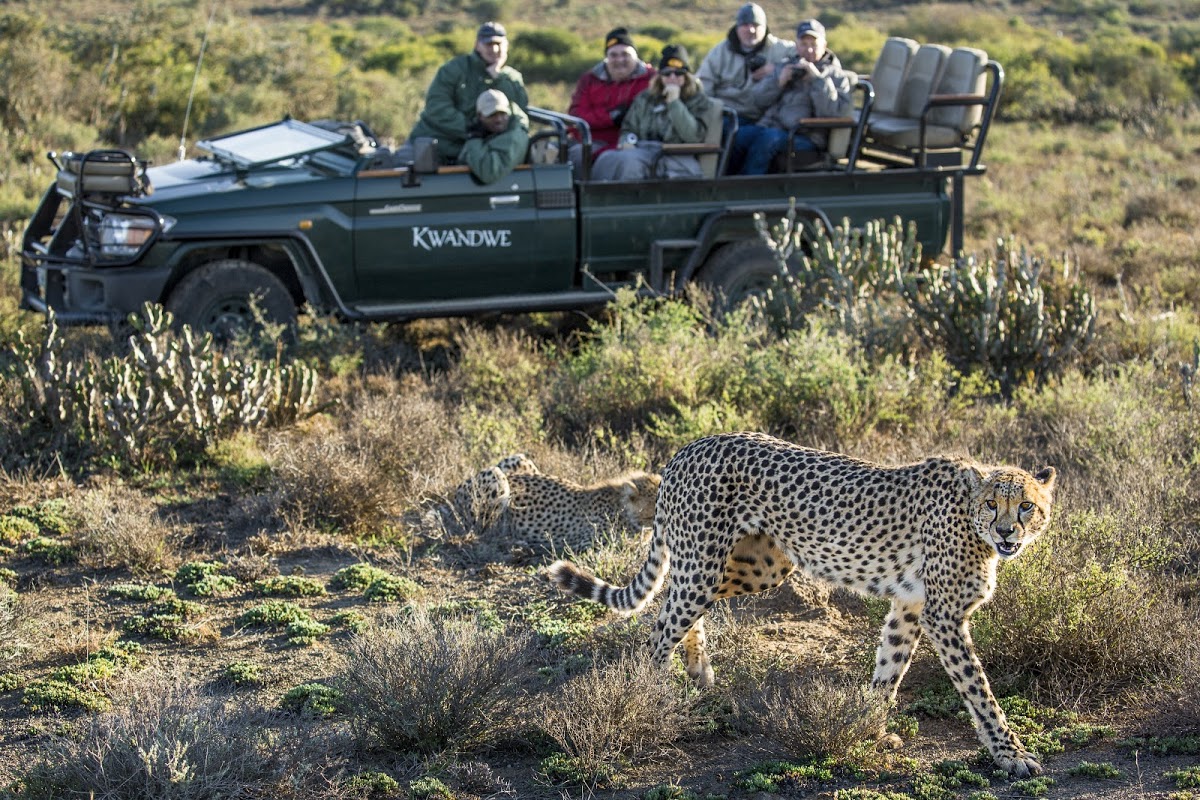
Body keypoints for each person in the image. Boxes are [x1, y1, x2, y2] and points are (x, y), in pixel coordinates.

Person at [732, 18, 853, 174]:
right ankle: (723, 184)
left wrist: (816, 80)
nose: (809, 50)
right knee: (738, 136)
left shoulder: (837, 76)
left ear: (824, 45)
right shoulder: (786, 65)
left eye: (814, 45)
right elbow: (758, 101)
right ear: (796, 46)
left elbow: (831, 113)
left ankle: (747, 189)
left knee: (768, 140)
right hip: (772, 126)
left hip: (806, 136)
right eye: (804, 44)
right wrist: (779, 83)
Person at [407, 22, 528, 166]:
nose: (495, 49)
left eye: (499, 44)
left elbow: (518, 114)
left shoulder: (511, 79)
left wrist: (497, 78)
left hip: (479, 153)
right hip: (436, 146)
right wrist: (472, 129)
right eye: (489, 44)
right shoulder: (454, 69)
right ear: (477, 45)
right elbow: (437, 107)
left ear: (506, 46)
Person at [591, 45, 715, 181]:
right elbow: (629, 127)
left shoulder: (699, 101)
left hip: (676, 156)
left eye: (678, 73)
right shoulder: (646, 98)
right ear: (660, 76)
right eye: (667, 73)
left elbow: (693, 136)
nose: (672, 77)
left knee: (629, 163)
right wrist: (626, 141)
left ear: (687, 76)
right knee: (607, 158)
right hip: (644, 150)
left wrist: (674, 103)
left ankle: (628, 200)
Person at [696, 1, 795, 169]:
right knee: (721, 133)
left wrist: (776, 68)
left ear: (765, 27)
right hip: (727, 115)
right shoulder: (720, 51)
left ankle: (735, 182)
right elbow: (703, 86)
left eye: (756, 25)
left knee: (747, 137)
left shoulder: (780, 49)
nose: (751, 30)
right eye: (745, 25)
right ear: (737, 27)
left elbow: (811, 57)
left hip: (763, 117)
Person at [566, 27, 657, 176]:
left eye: (625, 54)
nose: (619, 60)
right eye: (613, 55)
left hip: (635, 141)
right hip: (593, 140)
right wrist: (611, 117)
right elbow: (576, 115)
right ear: (606, 58)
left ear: (636, 56)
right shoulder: (590, 80)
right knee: (574, 155)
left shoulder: (652, 79)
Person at [457, 89, 531, 183]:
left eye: (503, 113)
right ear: (480, 116)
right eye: (492, 115)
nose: (499, 119)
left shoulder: (515, 136)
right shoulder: (485, 131)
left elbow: (489, 173)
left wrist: (474, 140)